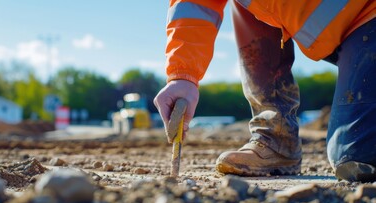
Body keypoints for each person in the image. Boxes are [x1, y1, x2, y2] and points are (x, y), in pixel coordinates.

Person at [153, 0, 376, 182]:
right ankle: (276, 136)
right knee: (247, 3)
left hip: (369, 13)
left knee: (360, 155)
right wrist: (183, 77)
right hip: (339, 29)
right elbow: (194, 5)